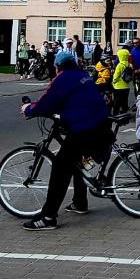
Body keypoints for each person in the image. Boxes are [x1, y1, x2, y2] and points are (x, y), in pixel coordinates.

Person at [20, 50, 113, 230]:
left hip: (86, 129)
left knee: (60, 169)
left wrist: (29, 109)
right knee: (77, 162)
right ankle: (80, 202)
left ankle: (48, 217)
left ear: (58, 67)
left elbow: (47, 101)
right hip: (101, 127)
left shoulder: (63, 78)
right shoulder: (82, 75)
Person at [112, 46, 133, 113]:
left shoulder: (120, 65)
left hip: (118, 86)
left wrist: (113, 82)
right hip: (126, 86)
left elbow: (116, 76)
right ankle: (124, 113)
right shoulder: (129, 65)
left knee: (117, 102)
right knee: (124, 101)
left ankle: (115, 114)